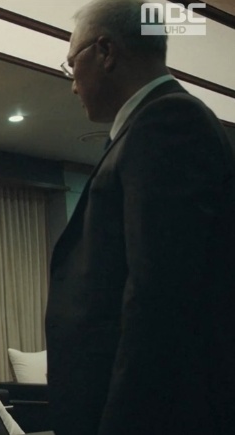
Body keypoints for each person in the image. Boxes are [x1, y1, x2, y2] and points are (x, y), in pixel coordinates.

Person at [47, 1, 235, 434]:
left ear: (106, 52)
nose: (72, 84)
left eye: (71, 64)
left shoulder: (169, 122)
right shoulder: (147, 129)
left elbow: (158, 299)